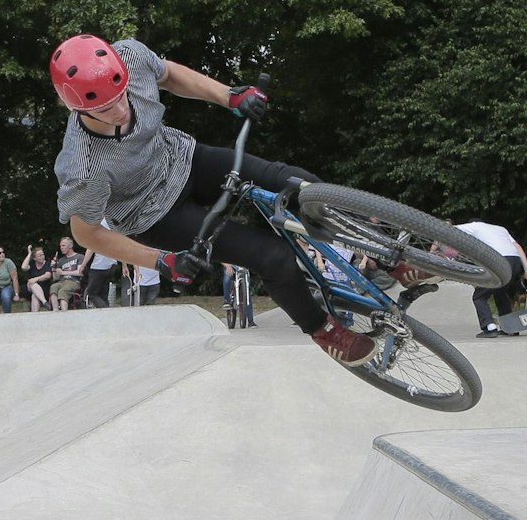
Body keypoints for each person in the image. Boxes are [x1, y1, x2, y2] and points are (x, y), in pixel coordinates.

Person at [48, 34, 377, 364]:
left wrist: (230, 97)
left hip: (184, 158)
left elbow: (169, 75)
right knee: (271, 256)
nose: (121, 110)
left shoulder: (129, 57)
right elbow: (86, 233)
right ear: (75, 107)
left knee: (294, 183)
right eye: (105, 108)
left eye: (122, 96)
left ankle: (388, 254)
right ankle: (324, 330)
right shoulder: (82, 166)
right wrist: (161, 261)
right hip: (155, 215)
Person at [454, 221, 527, 337]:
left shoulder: (474, 226)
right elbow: (517, 246)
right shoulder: (501, 228)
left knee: (479, 296)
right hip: (515, 261)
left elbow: (450, 229)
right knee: (500, 292)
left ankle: (489, 327)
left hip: (498, 260)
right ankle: (510, 327)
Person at [49, 235, 86, 310]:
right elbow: (56, 278)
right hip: (62, 281)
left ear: (70, 246)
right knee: (53, 287)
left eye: (63, 245)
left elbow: (80, 272)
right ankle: (55, 311)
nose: (61, 248)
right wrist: (53, 268)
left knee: (63, 291)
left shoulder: (79, 257)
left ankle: (64, 313)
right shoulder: (61, 260)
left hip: (74, 281)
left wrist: (63, 272)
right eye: (60, 246)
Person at [20, 246, 52, 311]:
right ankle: (44, 302)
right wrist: (29, 253)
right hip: (30, 288)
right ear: (34, 258)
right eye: (39, 255)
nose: (42, 257)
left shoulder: (47, 264)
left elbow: (48, 275)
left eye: (43, 255)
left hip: (44, 289)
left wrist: (36, 279)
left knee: (34, 296)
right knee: (31, 283)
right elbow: (23, 267)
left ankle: (34, 316)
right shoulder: (32, 264)